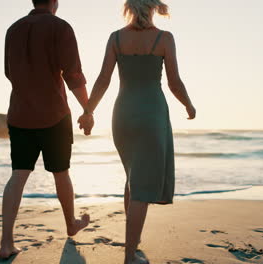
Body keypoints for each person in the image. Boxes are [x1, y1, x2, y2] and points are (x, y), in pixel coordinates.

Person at [79, 0, 196, 263]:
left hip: (122, 115)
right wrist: (188, 103)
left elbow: (103, 79)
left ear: (129, 7)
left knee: (132, 178)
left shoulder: (116, 38)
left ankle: (134, 240)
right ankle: (130, 256)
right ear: (153, 6)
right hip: (151, 114)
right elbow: (174, 82)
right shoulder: (164, 38)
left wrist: (89, 110)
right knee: (142, 187)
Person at [0, 0, 94, 259]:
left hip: (20, 113)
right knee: (61, 173)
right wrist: (88, 109)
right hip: (54, 113)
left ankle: (6, 242)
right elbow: (73, 73)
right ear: (54, 2)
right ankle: (71, 224)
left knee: (18, 174)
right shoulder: (60, 27)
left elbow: (9, 72)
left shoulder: (13, 29)